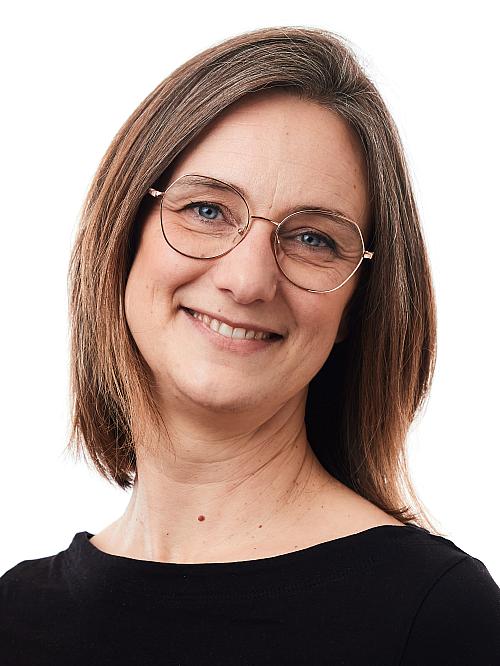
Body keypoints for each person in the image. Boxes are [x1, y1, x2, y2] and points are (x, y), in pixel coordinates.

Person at [1, 25, 499, 666]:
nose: (247, 280)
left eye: (313, 238)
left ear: (355, 307)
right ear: (124, 237)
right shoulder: (14, 613)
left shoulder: (437, 616)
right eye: (207, 210)